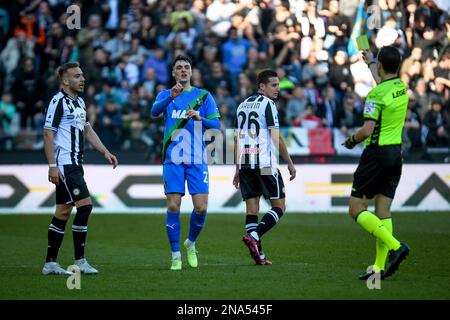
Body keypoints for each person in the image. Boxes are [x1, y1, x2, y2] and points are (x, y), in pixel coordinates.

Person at [42, 62, 118, 275]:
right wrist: (52, 166)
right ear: (65, 81)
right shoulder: (58, 102)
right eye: (77, 76)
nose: (82, 79)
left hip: (76, 164)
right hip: (66, 165)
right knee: (85, 207)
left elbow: (88, 130)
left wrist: (105, 152)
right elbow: (48, 134)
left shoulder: (80, 103)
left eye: (82, 75)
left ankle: (50, 264)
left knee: (63, 212)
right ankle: (80, 261)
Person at [342, 46, 410, 280]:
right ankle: (379, 269)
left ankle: (396, 246)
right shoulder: (401, 87)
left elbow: (367, 130)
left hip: (376, 155)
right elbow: (382, 81)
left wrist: (351, 141)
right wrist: (371, 61)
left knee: (355, 208)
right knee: (383, 211)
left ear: (381, 66)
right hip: (395, 155)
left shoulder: (375, 95)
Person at [151, 55, 220, 270]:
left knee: (201, 207)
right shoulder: (166, 94)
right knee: (173, 205)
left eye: (186, 67)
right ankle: (175, 255)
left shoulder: (204, 96)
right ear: (173, 72)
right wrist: (171, 97)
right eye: (179, 67)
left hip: (197, 159)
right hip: (173, 159)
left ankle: (190, 243)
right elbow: (154, 112)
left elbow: (216, 126)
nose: (183, 70)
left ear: (191, 72)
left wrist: (201, 118)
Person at [233, 69, 296, 265]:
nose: (278, 89)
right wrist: (290, 162)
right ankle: (256, 235)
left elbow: (238, 138)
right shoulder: (268, 105)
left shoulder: (242, 105)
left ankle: (259, 255)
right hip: (265, 163)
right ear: (262, 86)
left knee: (252, 209)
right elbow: (276, 137)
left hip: (245, 163)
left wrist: (237, 168)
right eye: (274, 85)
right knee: (280, 206)